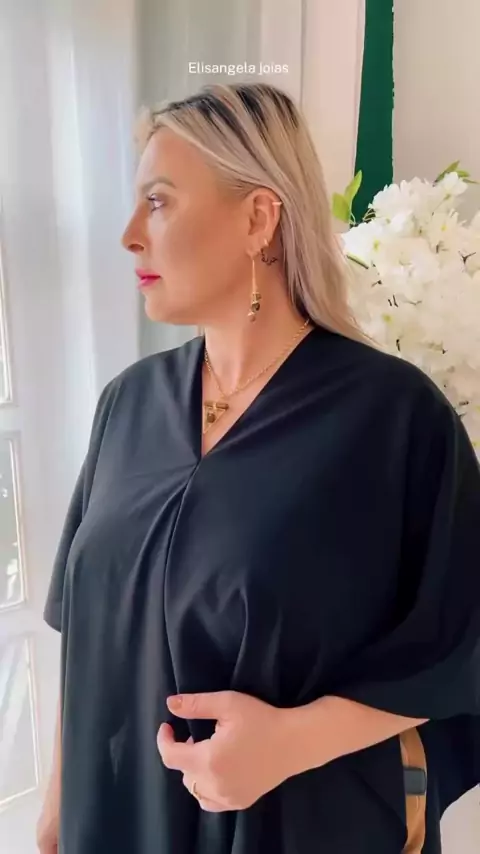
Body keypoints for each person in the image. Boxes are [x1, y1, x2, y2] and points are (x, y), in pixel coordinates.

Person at [37, 83, 480, 854]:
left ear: (258, 219)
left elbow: (462, 637)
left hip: (300, 828)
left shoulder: (390, 417)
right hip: (117, 823)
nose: (130, 236)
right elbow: (85, 636)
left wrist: (290, 742)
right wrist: (55, 817)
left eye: (159, 202)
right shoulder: (127, 406)